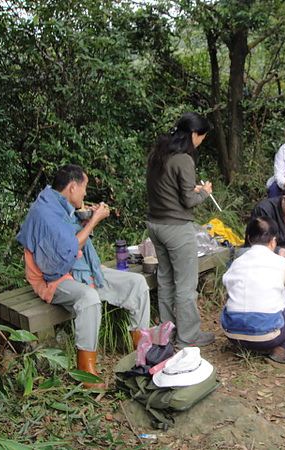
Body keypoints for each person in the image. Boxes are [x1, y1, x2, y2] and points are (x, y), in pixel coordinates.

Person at [16, 164, 151, 390]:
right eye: (84, 188)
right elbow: (66, 250)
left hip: (82, 269)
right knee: (88, 299)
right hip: (53, 278)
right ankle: (85, 370)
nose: (85, 194)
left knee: (137, 283)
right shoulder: (45, 212)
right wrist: (94, 219)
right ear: (71, 187)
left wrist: (84, 218)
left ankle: (141, 354)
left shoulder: (59, 204)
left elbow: (68, 236)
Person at [146, 112, 215, 349]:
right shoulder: (184, 159)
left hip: (155, 225)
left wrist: (190, 190)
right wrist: (204, 191)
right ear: (194, 134)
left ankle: (168, 333)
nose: (200, 142)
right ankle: (188, 337)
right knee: (186, 285)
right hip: (176, 228)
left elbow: (167, 189)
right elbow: (188, 201)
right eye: (202, 138)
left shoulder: (159, 154)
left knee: (165, 280)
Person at [221, 216, 285, 364]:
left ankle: (246, 337)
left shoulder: (237, 262)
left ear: (249, 238)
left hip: (232, 335)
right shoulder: (282, 263)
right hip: (266, 338)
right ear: (273, 241)